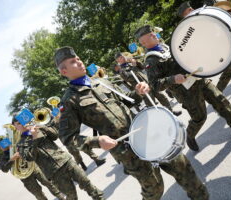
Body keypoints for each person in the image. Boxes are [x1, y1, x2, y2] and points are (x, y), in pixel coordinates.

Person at [54, 46, 209, 200]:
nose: (79, 62)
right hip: (127, 151)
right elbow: (67, 137)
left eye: (78, 59)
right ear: (64, 71)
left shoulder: (102, 82)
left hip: (146, 132)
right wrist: (97, 141)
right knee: (154, 189)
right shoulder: (69, 101)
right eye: (73, 62)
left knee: (184, 170)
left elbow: (128, 99)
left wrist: (139, 91)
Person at [134, 25, 231, 152]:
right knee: (199, 117)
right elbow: (154, 85)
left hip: (199, 80)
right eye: (150, 35)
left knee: (220, 100)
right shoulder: (151, 60)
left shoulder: (165, 46)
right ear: (143, 42)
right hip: (186, 93)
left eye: (152, 32)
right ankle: (190, 135)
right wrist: (173, 79)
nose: (154, 34)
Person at [12, 117, 104, 200]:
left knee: (86, 183)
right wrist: (35, 138)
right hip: (53, 172)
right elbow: (30, 157)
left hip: (65, 160)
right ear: (16, 127)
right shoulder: (20, 144)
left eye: (22, 121)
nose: (22, 124)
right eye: (18, 123)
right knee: (71, 195)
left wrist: (42, 126)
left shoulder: (39, 128)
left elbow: (55, 135)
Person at [0, 138, 65, 200]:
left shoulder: (17, 147)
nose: (4, 145)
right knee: (38, 194)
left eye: (4, 142)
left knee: (49, 184)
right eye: (1, 145)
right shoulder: (3, 158)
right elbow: (4, 169)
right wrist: (12, 159)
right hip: (25, 177)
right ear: (0, 148)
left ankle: (61, 198)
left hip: (34, 169)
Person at [115, 52, 182, 116]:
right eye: (120, 57)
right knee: (151, 105)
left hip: (150, 83)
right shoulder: (122, 71)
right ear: (118, 60)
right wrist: (134, 66)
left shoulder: (130, 63)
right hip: (143, 88)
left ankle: (170, 112)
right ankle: (159, 119)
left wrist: (136, 62)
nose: (123, 57)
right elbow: (130, 78)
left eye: (122, 56)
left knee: (162, 97)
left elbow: (143, 67)